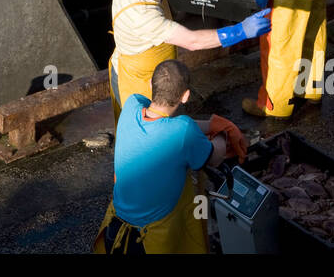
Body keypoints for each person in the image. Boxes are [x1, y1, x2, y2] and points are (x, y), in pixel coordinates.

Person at [109, 0, 270, 121]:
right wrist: (240, 31)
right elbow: (192, 41)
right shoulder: (141, 16)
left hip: (153, 61)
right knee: (156, 130)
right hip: (140, 81)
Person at [93, 59, 238, 254]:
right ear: (185, 96)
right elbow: (215, 157)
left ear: (150, 84)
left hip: (115, 230)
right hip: (148, 241)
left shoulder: (131, 105)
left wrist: (210, 124)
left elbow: (162, 121)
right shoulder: (184, 130)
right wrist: (223, 131)